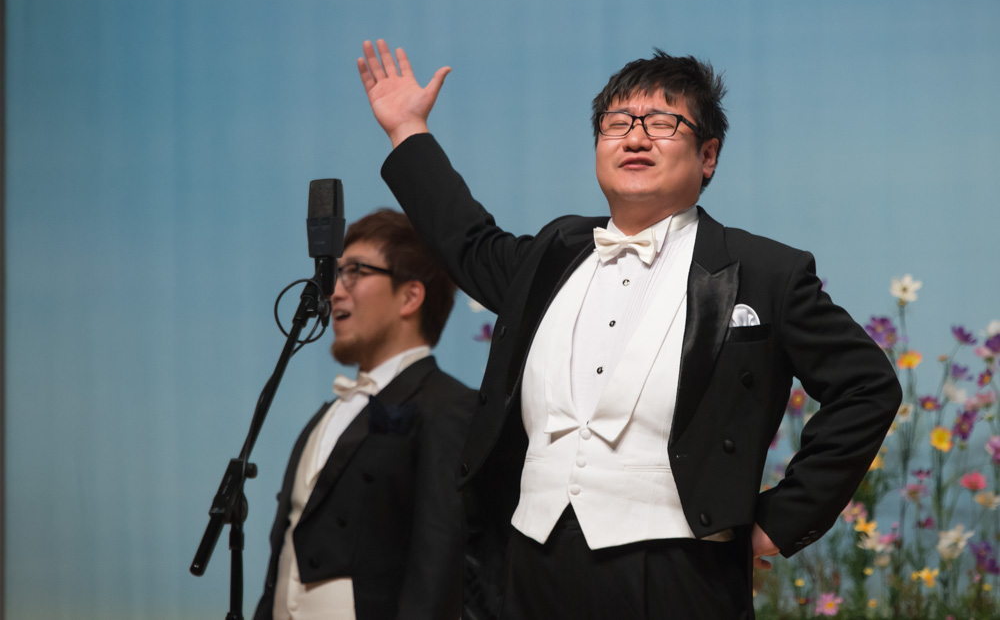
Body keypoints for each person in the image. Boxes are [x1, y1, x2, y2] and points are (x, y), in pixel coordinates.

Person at [355, 39, 903, 619]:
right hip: (529, 563)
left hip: (678, 571)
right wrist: (407, 129)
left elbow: (867, 387)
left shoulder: (766, 272)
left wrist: (780, 521)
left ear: (708, 155)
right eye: (617, 123)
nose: (635, 138)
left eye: (662, 123)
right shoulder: (552, 254)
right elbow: (466, 241)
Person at [254, 209, 476, 620]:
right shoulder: (328, 414)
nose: (334, 292)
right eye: (336, 274)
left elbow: (441, 561)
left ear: (410, 296)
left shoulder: (448, 406)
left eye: (355, 272)